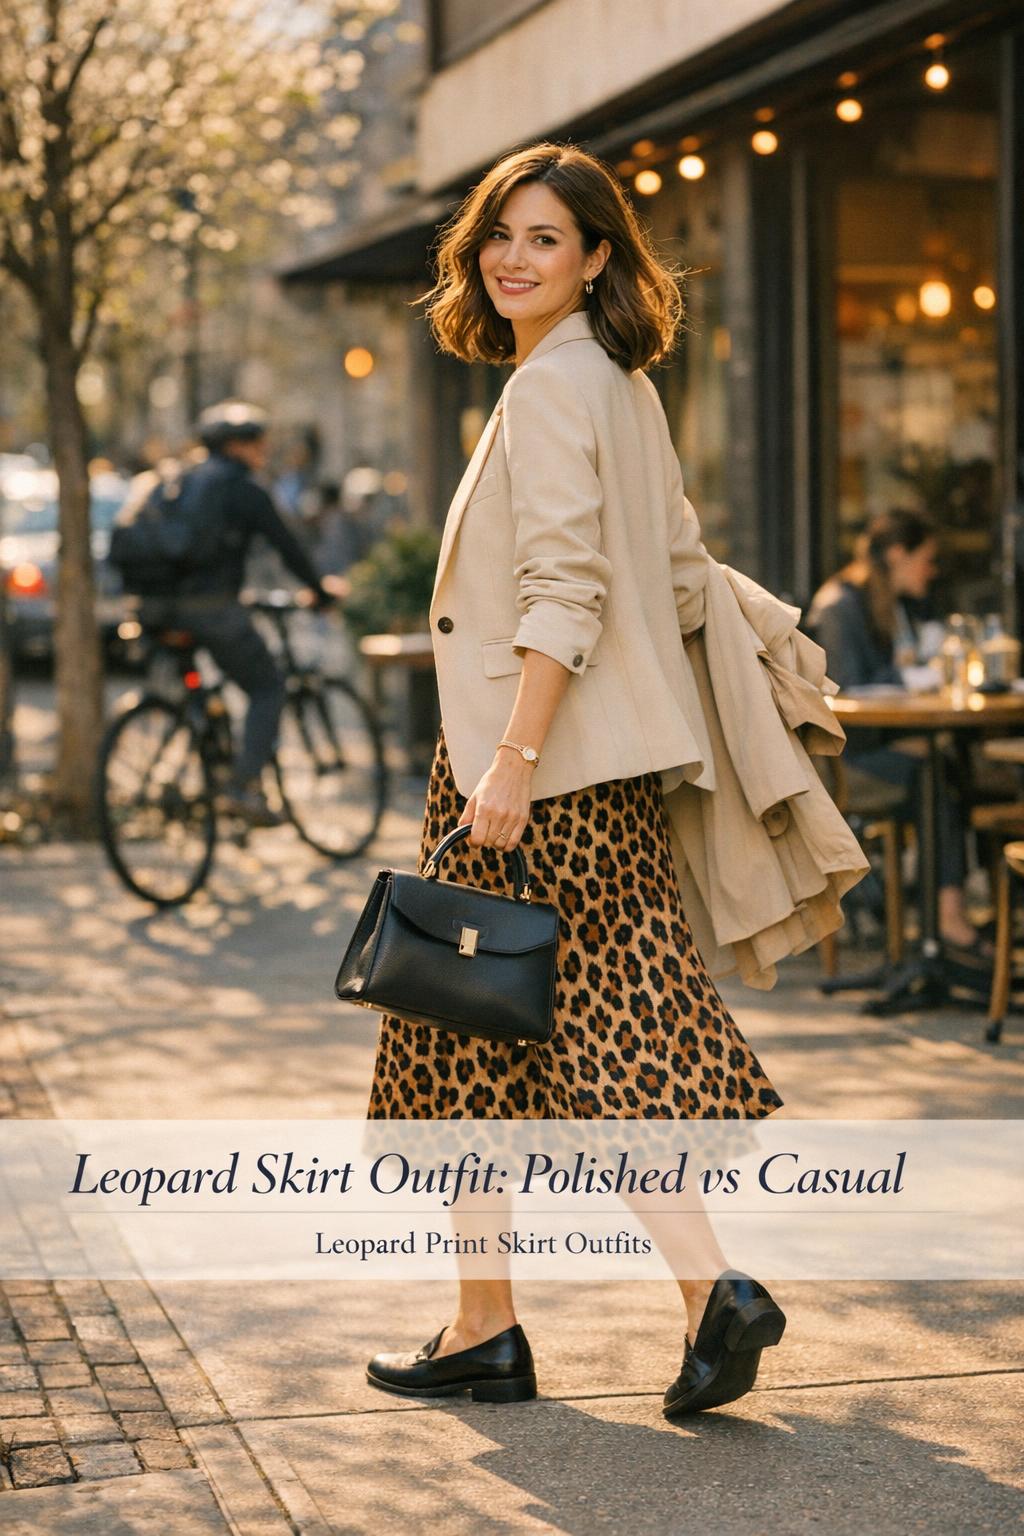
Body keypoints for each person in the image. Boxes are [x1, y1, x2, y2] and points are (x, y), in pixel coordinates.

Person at [361, 143, 808, 1420]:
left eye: (547, 238)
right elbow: (675, 575)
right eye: (501, 232)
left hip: (531, 772)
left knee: (461, 1026)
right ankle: (632, 1300)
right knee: (590, 1032)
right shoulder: (616, 383)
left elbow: (568, 588)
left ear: (598, 256)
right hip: (596, 775)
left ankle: (505, 1321)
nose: (513, 257)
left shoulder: (553, 390)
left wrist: (507, 764)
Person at [138, 401, 335, 824]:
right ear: (237, 446)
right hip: (212, 610)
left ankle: (208, 751)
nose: (264, 449)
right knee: (267, 687)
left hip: (158, 608)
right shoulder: (242, 488)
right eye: (257, 441)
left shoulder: (183, 478)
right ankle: (242, 787)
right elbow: (287, 544)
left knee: (213, 686)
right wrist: (319, 590)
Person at [808, 510, 981, 952]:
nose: (932, 570)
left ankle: (944, 913)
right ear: (898, 554)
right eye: (926, 559)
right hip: (844, 764)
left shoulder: (895, 604)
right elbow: (841, 695)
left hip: (881, 746)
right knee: (934, 777)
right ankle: (944, 917)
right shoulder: (840, 606)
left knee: (948, 767)